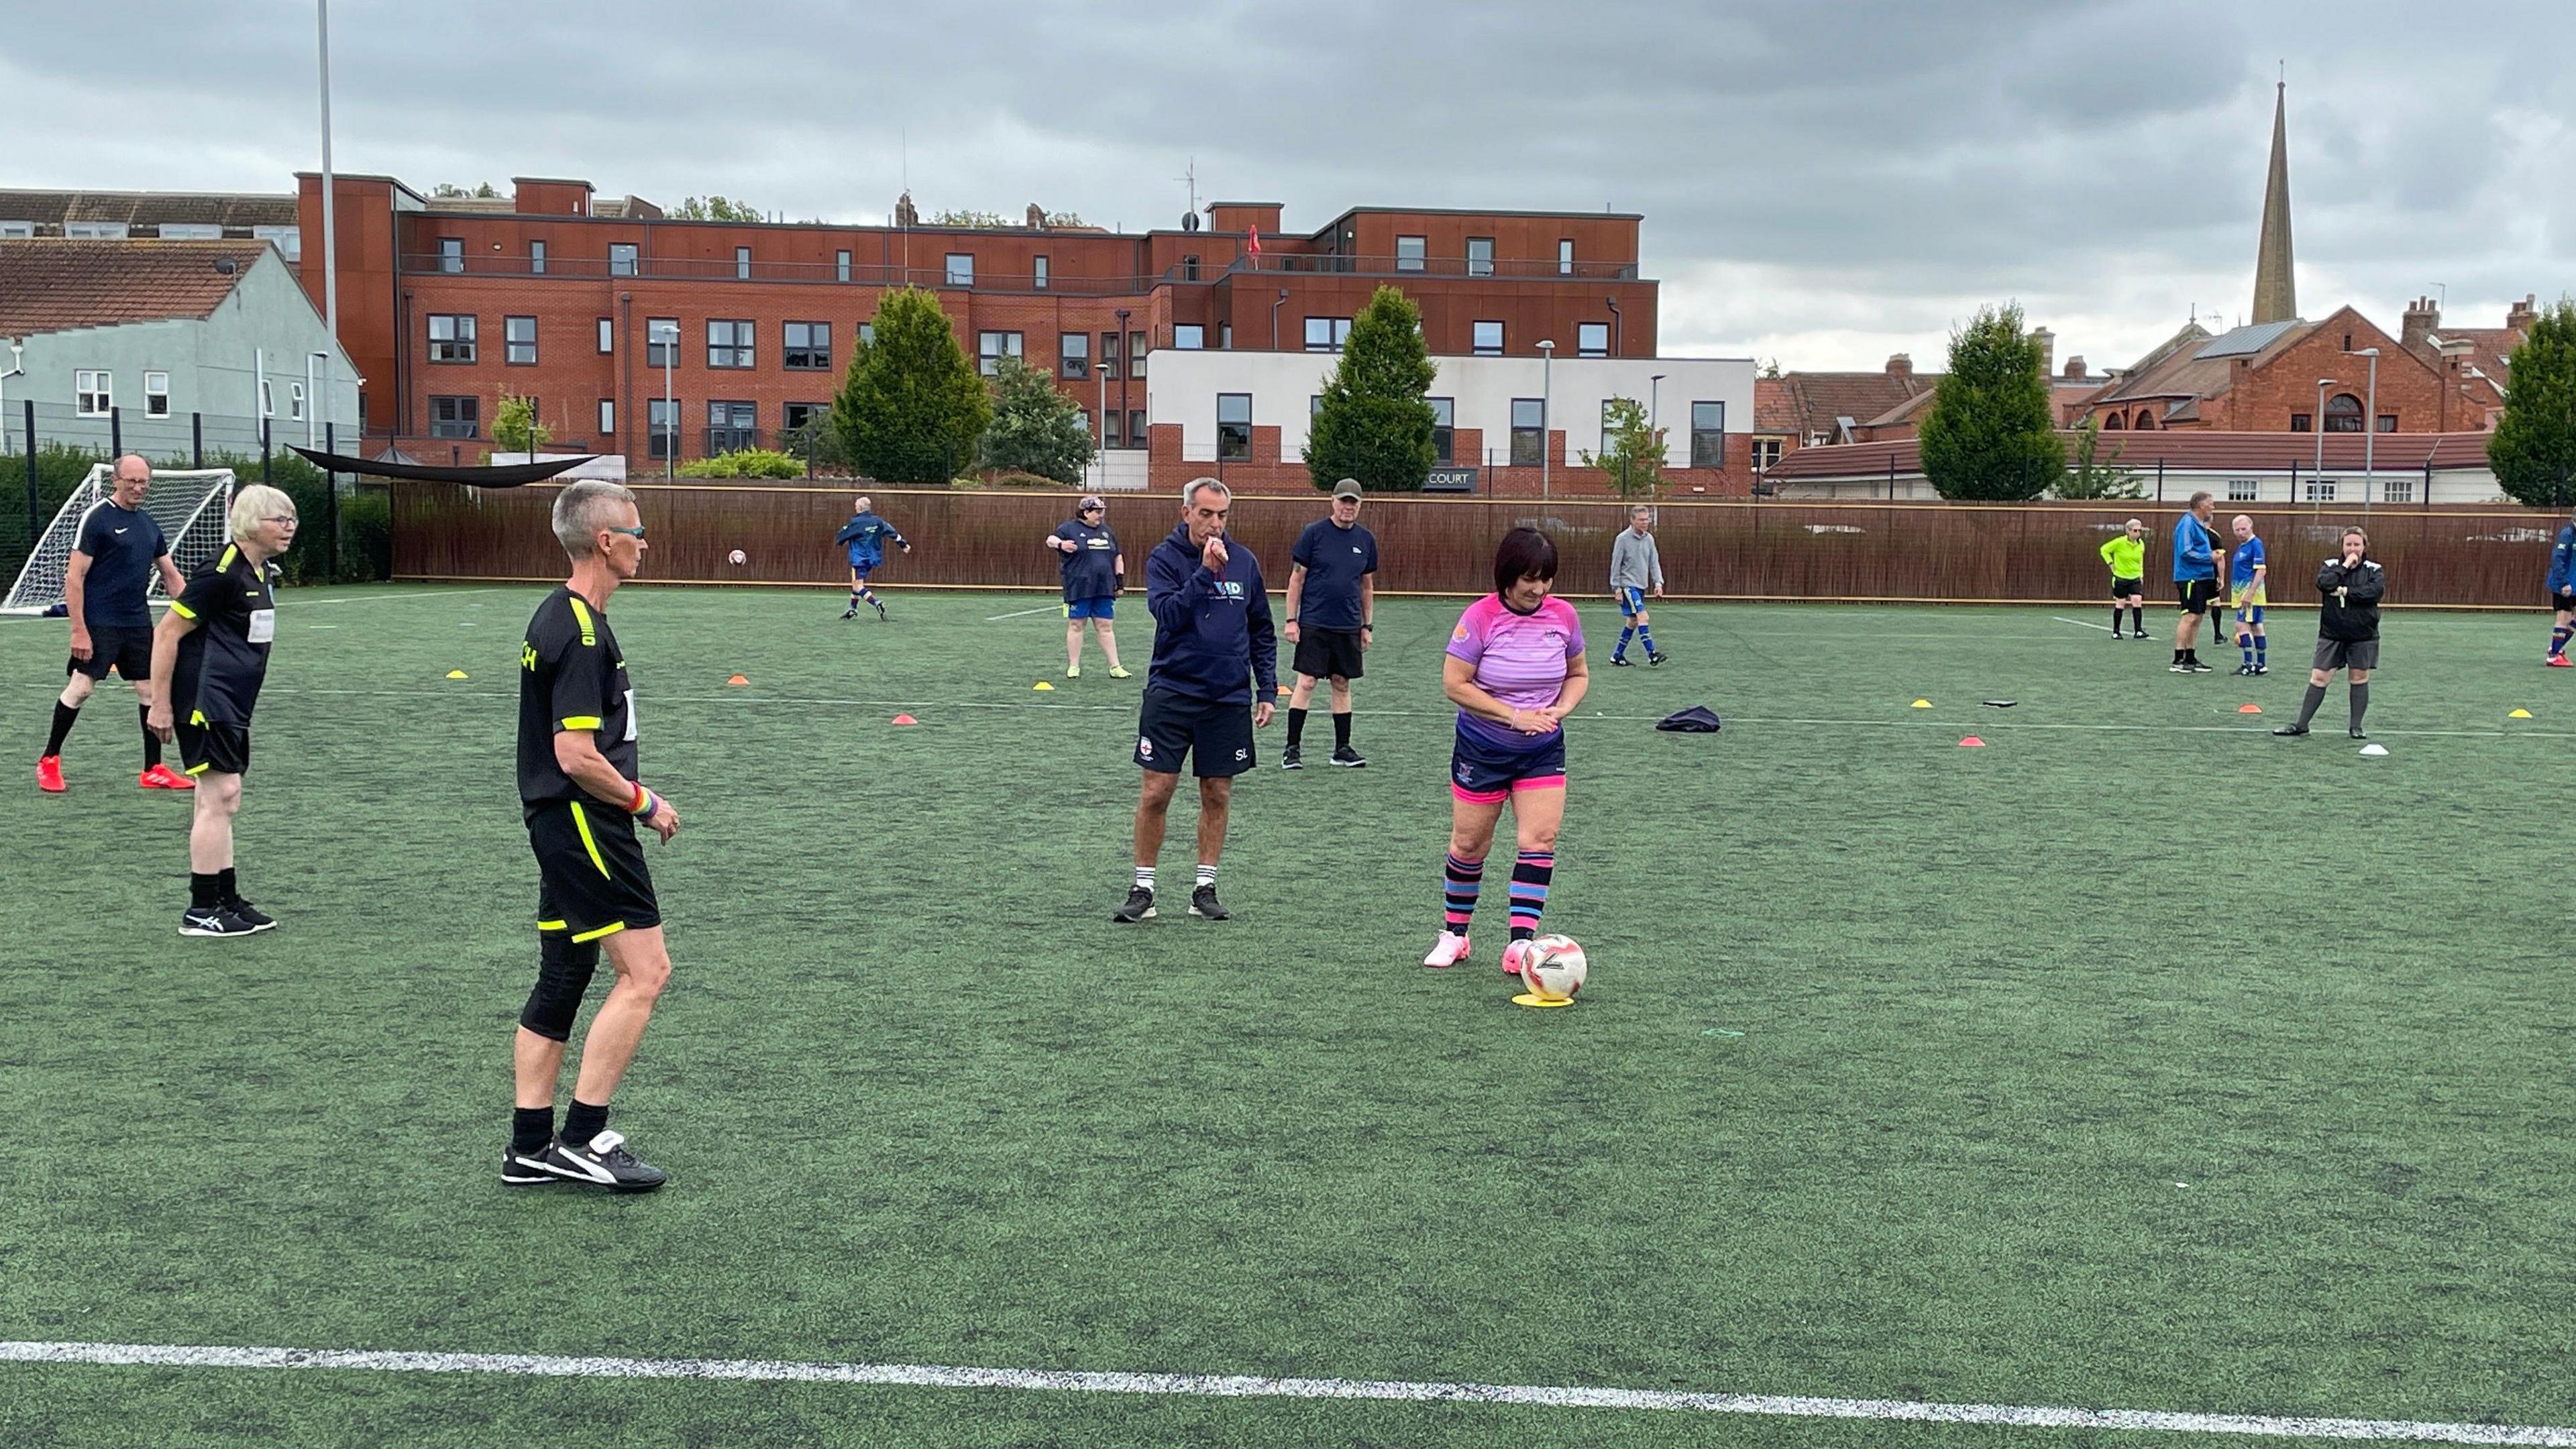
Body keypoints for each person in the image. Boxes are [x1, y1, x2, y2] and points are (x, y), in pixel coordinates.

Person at [504, 480, 678, 1192]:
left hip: (560, 822)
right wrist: (645, 802)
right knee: (646, 971)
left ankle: (529, 1146)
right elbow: (575, 754)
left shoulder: (571, 617)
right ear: (606, 541)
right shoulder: (575, 629)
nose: (645, 542)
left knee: (566, 973)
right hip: (583, 820)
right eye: (637, 531)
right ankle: (580, 1139)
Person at [1422, 527, 1589, 977]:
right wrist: (1513, 716)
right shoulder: (1479, 618)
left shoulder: (1564, 617)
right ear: (1507, 576)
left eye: (1546, 579)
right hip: (1483, 749)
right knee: (1470, 844)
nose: (1539, 589)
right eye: (1529, 579)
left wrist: (1562, 709)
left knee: (1540, 840)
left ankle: (1522, 944)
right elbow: (1454, 684)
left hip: (1542, 751)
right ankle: (1455, 935)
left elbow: (1578, 674)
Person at [1116, 478, 1275, 924]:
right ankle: (1143, 888)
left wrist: (1266, 690)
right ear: (1186, 512)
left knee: (1218, 792)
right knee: (1156, 791)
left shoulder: (1244, 562)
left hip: (1226, 697)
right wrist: (1204, 572)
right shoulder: (1164, 559)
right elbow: (1167, 615)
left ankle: (1204, 887)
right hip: (1172, 692)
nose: (1215, 524)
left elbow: (1261, 629)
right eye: (1206, 514)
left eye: (1222, 515)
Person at [144, 484, 296, 936]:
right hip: (206, 699)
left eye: (292, 520)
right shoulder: (222, 572)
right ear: (253, 523)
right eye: (279, 520)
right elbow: (167, 634)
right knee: (220, 796)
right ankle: (201, 908)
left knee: (221, 799)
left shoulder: (260, 571)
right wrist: (160, 704)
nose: (289, 528)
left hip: (233, 700)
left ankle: (225, 898)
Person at [38, 454, 191, 792]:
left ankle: (153, 769)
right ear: (116, 481)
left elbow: (170, 575)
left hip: (137, 622)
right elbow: (75, 577)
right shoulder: (98, 519)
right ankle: (49, 760)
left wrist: (197, 611)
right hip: (99, 623)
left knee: (150, 691)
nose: (137, 487)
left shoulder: (149, 524)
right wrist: (79, 629)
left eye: (143, 482)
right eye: (131, 481)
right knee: (81, 689)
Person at [1281, 478, 1378, 769]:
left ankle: (1342, 750)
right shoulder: (1314, 534)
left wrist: (1366, 625)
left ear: (1360, 506)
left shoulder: (1366, 540)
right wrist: (1291, 620)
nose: (1348, 507)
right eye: (1343, 501)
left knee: (1342, 683)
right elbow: (1296, 579)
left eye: (1354, 502)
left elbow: (1366, 587)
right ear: (1333, 502)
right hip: (1314, 623)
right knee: (1307, 682)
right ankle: (1292, 749)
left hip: (1348, 625)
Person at [2274, 525, 2383, 740]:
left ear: (2364, 546)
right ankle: (2301, 725)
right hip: (2332, 633)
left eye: (2357, 545)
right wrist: (2344, 567)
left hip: (2362, 634)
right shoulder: (2331, 566)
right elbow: (2324, 583)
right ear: (2342, 546)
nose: (2353, 548)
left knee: (2359, 677)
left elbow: (2374, 592)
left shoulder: (2374, 569)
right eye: (2348, 544)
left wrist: (2346, 591)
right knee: (2319, 677)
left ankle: (2356, 727)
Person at [1046, 494, 1128, 679]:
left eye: (1102, 511)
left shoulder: (1107, 531)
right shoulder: (1068, 529)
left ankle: (1115, 667)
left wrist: (1120, 581)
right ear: (1086, 512)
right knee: (1077, 625)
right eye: (1098, 511)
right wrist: (1060, 544)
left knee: (1105, 625)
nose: (1101, 515)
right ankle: (1074, 667)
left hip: (1104, 587)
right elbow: (1050, 540)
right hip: (1079, 586)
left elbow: (1117, 557)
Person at [835, 495, 911, 620]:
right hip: (873, 558)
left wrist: (842, 533)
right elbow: (893, 533)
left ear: (859, 507)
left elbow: (842, 537)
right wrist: (903, 545)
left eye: (855, 505)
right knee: (856, 583)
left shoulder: (856, 522)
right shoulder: (878, 521)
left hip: (859, 558)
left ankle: (877, 603)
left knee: (859, 586)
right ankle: (853, 609)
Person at [1608, 506, 1668, 666]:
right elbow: (1616, 564)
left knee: (1633, 621)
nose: (1645, 522)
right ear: (1632, 521)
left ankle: (1617, 656)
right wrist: (1617, 589)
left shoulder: (1649, 539)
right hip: (1628, 586)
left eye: (1647, 519)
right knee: (1643, 616)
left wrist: (1658, 582)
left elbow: (1654, 562)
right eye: (1641, 520)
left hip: (1641, 586)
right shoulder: (1623, 539)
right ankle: (1652, 654)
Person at [2169, 492, 2220, 673]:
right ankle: (2178, 659)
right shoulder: (2187, 523)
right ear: (2201, 505)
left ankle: (2190, 657)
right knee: (2189, 616)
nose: (2213, 507)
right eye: (2211, 504)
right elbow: (2185, 551)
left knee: (2198, 617)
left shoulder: (2198, 524)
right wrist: (2209, 557)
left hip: (2202, 577)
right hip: (2190, 577)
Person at [2229, 514, 2269, 676]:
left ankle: (2248, 664)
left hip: (2249, 593)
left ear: (2251, 528)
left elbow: (2261, 570)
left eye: (2244, 529)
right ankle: (2260, 664)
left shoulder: (2255, 544)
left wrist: (2250, 593)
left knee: (2241, 625)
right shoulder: (2242, 546)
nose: (2240, 532)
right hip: (2241, 592)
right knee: (2256, 626)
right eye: (2237, 530)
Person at [2098, 518, 2147, 639]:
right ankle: (2116, 632)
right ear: (2128, 531)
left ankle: (2138, 630)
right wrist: (2111, 564)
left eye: (2139, 530)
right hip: (2121, 577)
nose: (2138, 533)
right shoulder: (2119, 542)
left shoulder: (2141, 544)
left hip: (2134, 577)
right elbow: (2104, 550)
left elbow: (2140, 561)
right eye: (2135, 530)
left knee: (2137, 601)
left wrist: (2141, 575)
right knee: (2121, 603)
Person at [2546, 506, 2576, 666]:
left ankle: (2556, 649)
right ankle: (2552, 656)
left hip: (2575, 584)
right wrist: (2564, 582)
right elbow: (2557, 559)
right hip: (2563, 585)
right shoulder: (2567, 534)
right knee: (2563, 618)